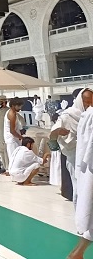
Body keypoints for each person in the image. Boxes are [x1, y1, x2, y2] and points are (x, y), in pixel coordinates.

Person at [51, 88, 92, 198]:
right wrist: (58, 132)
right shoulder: (67, 116)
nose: (89, 106)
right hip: (74, 158)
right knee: (79, 190)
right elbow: (52, 136)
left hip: (90, 158)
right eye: (86, 103)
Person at [68, 88, 93, 259]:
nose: (88, 103)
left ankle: (77, 253)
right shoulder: (88, 116)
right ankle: (77, 253)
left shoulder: (87, 116)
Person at [5, 97, 25, 174]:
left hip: (13, 138)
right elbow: (12, 131)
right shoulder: (12, 114)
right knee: (14, 158)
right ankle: (15, 175)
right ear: (13, 105)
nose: (20, 108)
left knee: (14, 158)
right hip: (12, 139)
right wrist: (22, 137)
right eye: (19, 106)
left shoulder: (11, 112)